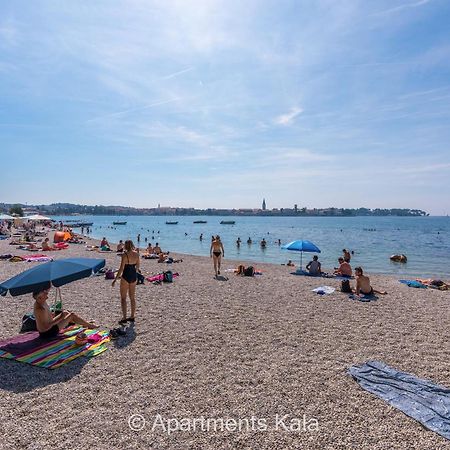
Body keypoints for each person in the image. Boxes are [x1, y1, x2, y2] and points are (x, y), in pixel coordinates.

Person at [112, 240, 140, 325]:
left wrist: (115, 279)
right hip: (133, 276)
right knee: (132, 297)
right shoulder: (137, 254)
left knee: (123, 298)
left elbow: (121, 269)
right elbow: (138, 267)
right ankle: (132, 316)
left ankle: (124, 318)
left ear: (126, 246)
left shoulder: (124, 255)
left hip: (125, 276)